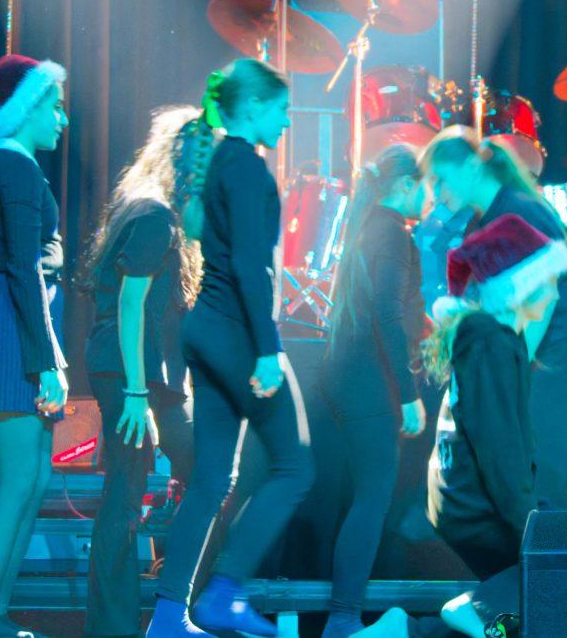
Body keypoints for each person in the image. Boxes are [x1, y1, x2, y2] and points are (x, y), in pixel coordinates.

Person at [152, 59, 312, 638]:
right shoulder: (245, 165)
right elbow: (249, 264)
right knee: (295, 467)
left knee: (212, 478)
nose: (287, 121)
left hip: (206, 329)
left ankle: (168, 617)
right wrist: (268, 350)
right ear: (254, 108)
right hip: (237, 335)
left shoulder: (219, 160)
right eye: (282, 109)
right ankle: (223, 592)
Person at [420, 128, 567, 512]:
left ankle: (549, 552)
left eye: (440, 180)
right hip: (537, 359)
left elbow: (544, 300)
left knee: (538, 480)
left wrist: (512, 366)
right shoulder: (487, 217)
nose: (436, 193)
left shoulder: (518, 210)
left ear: (471, 167)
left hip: (557, 359)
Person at [0, 53, 73, 638]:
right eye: (55, 106)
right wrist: (45, 360)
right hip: (9, 323)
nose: (63, 119)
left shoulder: (9, 165)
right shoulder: (14, 167)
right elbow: (25, 269)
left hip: (13, 318)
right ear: (24, 109)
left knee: (31, 477)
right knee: (16, 476)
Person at [82, 107, 203, 638]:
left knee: (200, 474)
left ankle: (170, 606)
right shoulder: (154, 215)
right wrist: (136, 393)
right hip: (132, 375)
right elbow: (130, 305)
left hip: (149, 375)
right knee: (128, 493)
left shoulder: (157, 211)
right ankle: (118, 626)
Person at [317, 144, 429, 638]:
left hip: (348, 375)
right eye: (424, 187)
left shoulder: (368, 225)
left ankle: (344, 616)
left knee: (364, 496)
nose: (429, 197)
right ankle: (343, 618)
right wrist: (408, 394)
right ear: (406, 185)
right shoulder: (393, 232)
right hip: (370, 381)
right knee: (371, 499)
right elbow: (387, 312)